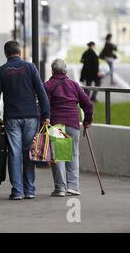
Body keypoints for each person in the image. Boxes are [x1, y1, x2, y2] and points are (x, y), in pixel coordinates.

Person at [0, 41, 50, 201]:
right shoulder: (30, 68)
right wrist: (46, 114)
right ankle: (29, 190)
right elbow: (41, 92)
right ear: (20, 52)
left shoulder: (1, 71)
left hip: (12, 119)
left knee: (14, 154)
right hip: (31, 116)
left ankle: (17, 191)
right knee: (29, 153)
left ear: (6, 53)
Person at [44, 59, 93, 197]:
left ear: (52, 71)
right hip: (73, 123)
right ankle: (73, 187)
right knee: (73, 155)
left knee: (59, 156)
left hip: (57, 124)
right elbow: (88, 104)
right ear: (65, 71)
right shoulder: (74, 85)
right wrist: (87, 121)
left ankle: (60, 188)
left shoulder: (48, 85)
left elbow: (45, 106)